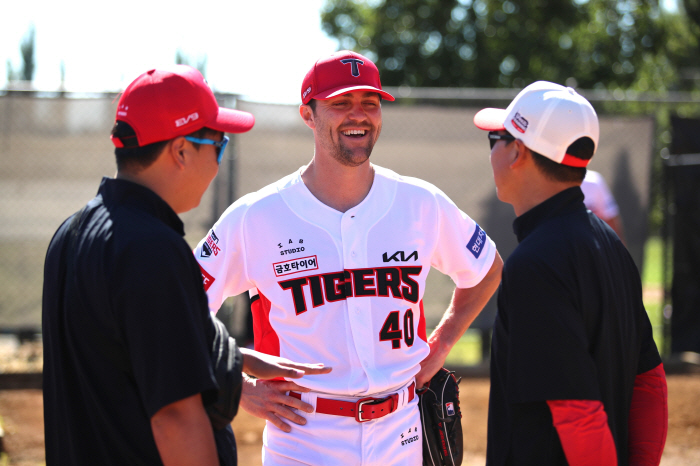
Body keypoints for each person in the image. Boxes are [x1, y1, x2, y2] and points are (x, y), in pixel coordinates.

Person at [194, 50, 503, 465]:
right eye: (341, 103)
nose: (358, 115)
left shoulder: (419, 202)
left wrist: (444, 339)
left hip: (402, 432)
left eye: (370, 103)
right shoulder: (257, 216)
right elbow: (180, 312)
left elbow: (487, 269)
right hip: (303, 435)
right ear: (309, 114)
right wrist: (240, 387)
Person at [42, 65, 330, 466]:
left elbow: (125, 347)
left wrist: (237, 359)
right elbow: (176, 416)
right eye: (219, 145)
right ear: (181, 150)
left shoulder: (72, 233)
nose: (217, 163)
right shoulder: (152, 250)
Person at [473, 81, 668, 466]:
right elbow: (650, 384)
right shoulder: (611, 245)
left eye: (496, 138)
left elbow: (577, 413)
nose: (492, 149)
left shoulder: (534, 265)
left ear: (518, 151)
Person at [581, 169, 626, 243]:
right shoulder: (555, 182)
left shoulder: (593, 180)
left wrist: (620, 250)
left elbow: (610, 219)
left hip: (591, 248)